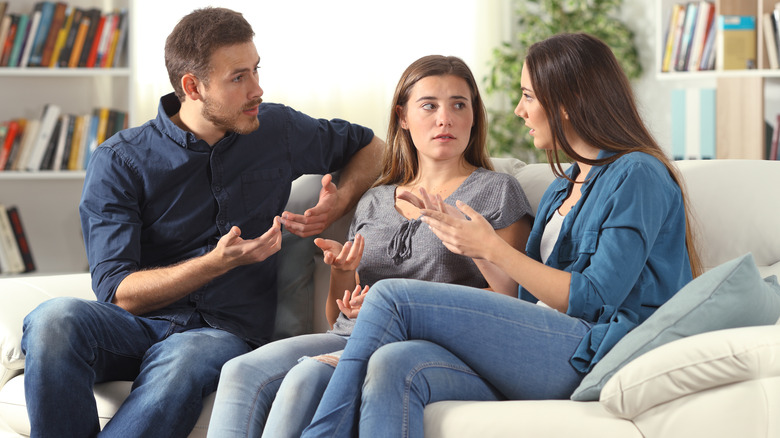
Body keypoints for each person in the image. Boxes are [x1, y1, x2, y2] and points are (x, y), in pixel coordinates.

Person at [301, 33, 704, 438]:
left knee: (392, 296)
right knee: (394, 364)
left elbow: (595, 299)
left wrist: (492, 246)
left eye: (528, 96)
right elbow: (525, 297)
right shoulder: (563, 187)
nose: (518, 111)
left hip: (593, 349)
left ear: (566, 102)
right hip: (540, 342)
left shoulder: (637, 173)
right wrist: (470, 245)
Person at [20, 7, 384, 438]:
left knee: (185, 357)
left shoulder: (277, 129)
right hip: (137, 326)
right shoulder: (120, 161)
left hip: (223, 332)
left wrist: (339, 201)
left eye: (256, 70)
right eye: (238, 77)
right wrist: (217, 262)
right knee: (52, 319)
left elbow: (372, 146)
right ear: (192, 87)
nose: (257, 89)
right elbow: (119, 293)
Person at [206, 54, 533, 438]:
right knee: (240, 370)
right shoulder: (375, 199)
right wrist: (343, 273)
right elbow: (338, 317)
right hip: (351, 334)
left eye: (459, 105)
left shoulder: (497, 190)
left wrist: (466, 242)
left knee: (307, 376)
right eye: (429, 105)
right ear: (403, 117)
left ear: (474, 116)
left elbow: (512, 305)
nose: (445, 118)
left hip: (425, 345)